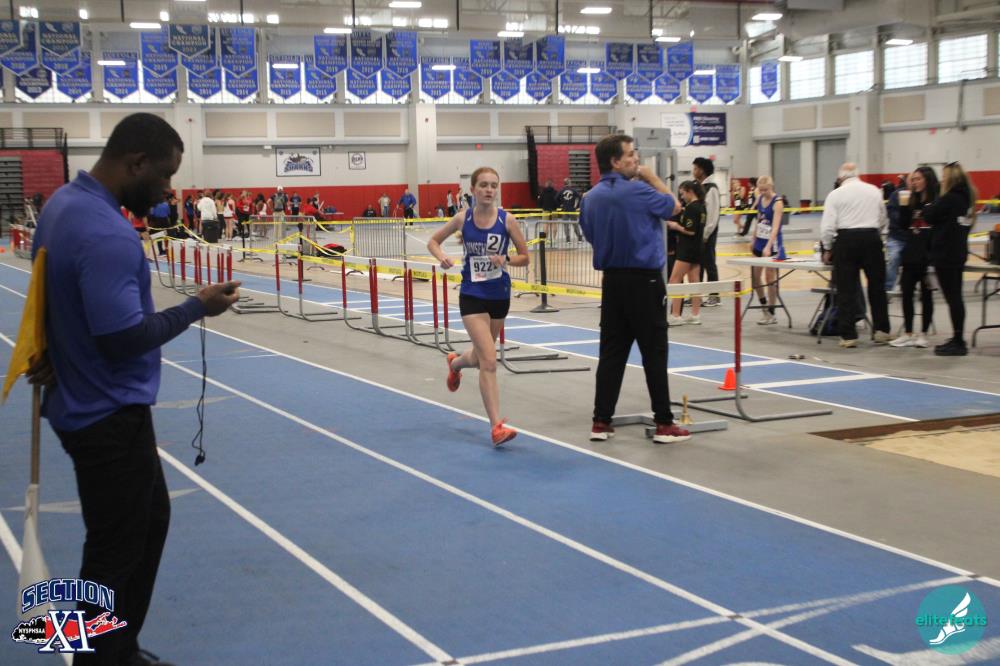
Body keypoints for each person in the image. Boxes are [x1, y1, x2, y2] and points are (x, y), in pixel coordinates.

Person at [29, 113, 240, 666]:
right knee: (113, 553)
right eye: (165, 175)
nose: (169, 189)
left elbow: (49, 295)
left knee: (147, 523)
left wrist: (53, 350)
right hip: (106, 414)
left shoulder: (61, 207)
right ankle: (100, 658)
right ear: (136, 163)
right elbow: (123, 337)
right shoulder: (108, 233)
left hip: (91, 403)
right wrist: (197, 306)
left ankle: (119, 649)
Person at [579, 134, 690, 445]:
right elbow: (674, 206)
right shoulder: (640, 190)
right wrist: (651, 176)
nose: (636, 159)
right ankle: (664, 423)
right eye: (630, 155)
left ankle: (601, 421)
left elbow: (590, 234)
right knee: (654, 352)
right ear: (615, 162)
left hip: (613, 282)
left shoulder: (590, 198)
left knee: (611, 353)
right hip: (645, 281)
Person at [427, 166, 529, 447]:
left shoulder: (508, 220)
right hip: (472, 294)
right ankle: (496, 427)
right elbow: (433, 241)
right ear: (472, 190)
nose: (489, 190)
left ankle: (455, 362)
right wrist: (442, 257)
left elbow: (525, 257)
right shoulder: (463, 218)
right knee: (489, 361)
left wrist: (506, 260)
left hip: (499, 295)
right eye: (483, 185)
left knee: (480, 357)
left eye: (494, 185)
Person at [820, 163, 893, 348]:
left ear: (840, 178)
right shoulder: (874, 191)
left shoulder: (835, 194)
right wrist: (878, 236)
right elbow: (883, 219)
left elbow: (827, 226)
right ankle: (882, 331)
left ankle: (848, 335)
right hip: (871, 238)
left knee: (846, 289)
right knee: (877, 287)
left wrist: (827, 248)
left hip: (846, 240)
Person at [923, 161, 977, 356]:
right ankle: (957, 337)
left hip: (946, 254)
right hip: (958, 251)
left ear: (950, 179)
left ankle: (958, 341)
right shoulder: (967, 198)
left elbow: (929, 215)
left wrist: (930, 201)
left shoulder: (949, 199)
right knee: (956, 297)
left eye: (944, 177)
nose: (942, 180)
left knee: (953, 298)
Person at [889, 168, 938, 348]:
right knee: (907, 293)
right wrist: (904, 206)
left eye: (918, 179)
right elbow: (903, 225)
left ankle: (923, 333)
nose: (914, 182)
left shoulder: (936, 202)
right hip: (911, 254)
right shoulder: (912, 201)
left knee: (926, 295)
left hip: (927, 256)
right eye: (913, 179)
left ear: (927, 180)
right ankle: (908, 332)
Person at [743, 176, 786, 325]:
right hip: (760, 241)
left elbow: (775, 227)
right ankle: (764, 307)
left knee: (769, 277)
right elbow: (759, 221)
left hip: (772, 243)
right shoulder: (760, 198)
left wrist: (768, 246)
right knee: (755, 277)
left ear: (771, 187)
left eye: (765, 190)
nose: (763, 193)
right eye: (760, 190)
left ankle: (772, 311)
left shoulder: (777, 202)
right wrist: (753, 238)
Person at [667, 181, 706, 326]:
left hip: (687, 249)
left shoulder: (691, 208)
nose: (682, 197)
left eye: (682, 193)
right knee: (694, 281)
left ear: (690, 191)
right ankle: (695, 315)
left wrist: (675, 226)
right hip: (697, 248)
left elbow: (690, 230)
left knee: (674, 280)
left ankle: (676, 315)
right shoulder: (701, 207)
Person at [692, 158, 721, 307]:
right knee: (697, 265)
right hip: (698, 233)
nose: (693, 171)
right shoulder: (699, 187)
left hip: (707, 235)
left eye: (695, 168)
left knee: (709, 264)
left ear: (702, 170)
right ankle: (696, 296)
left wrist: (705, 235)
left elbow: (712, 216)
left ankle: (714, 296)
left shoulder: (711, 189)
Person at [884, 176, 910, 292]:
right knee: (894, 258)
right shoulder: (896, 195)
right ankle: (887, 288)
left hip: (914, 238)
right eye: (911, 180)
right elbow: (893, 216)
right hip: (896, 237)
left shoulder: (920, 196)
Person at [557, 177, 583, 242]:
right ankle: (579, 238)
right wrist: (576, 206)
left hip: (564, 210)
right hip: (572, 210)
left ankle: (568, 239)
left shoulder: (561, 190)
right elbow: (579, 197)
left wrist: (560, 204)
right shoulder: (573, 190)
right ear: (569, 183)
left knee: (566, 225)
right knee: (575, 224)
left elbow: (556, 198)